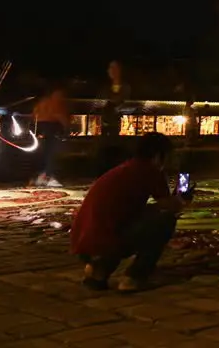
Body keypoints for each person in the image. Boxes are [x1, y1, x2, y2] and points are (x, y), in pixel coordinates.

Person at [72, 132, 188, 292]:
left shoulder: (125, 168)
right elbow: (170, 206)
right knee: (165, 220)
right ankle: (133, 278)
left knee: (145, 214)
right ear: (157, 155)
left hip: (84, 242)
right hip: (107, 241)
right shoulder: (150, 171)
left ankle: (97, 270)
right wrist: (183, 196)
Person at [31, 86, 71, 187]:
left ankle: (42, 177)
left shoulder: (42, 102)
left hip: (41, 128)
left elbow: (35, 113)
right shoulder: (54, 103)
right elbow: (59, 116)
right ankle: (49, 177)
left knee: (45, 153)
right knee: (52, 154)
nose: (61, 97)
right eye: (60, 94)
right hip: (51, 128)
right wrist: (67, 128)